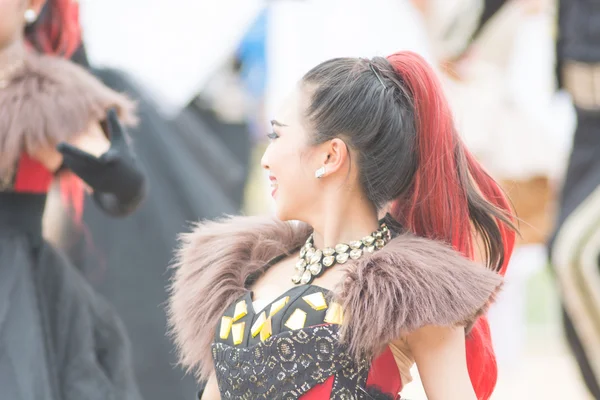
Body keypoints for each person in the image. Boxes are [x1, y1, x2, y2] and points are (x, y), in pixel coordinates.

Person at [168, 51, 516, 399]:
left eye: (277, 136)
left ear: (331, 156)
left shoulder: (409, 291)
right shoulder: (238, 273)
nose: (265, 158)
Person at [0, 0, 146, 398]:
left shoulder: (45, 91)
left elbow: (121, 188)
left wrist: (115, 174)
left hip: (13, 284)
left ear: (31, 5)